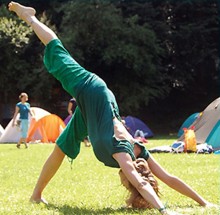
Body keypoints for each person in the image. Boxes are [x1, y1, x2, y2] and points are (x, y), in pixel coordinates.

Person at [8, 2, 216, 214]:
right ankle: (30, 17)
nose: (123, 182)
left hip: (96, 110)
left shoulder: (141, 153)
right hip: (92, 90)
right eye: (127, 185)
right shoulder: (124, 155)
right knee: (57, 51)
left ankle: (36, 195)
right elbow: (141, 183)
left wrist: (203, 202)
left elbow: (169, 179)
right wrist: (164, 211)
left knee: (62, 145)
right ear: (131, 178)